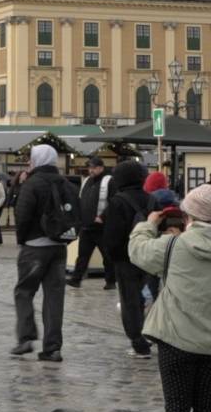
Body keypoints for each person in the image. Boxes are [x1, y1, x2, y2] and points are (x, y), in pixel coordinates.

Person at [128, 185, 211, 412]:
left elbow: (137, 250)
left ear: (187, 215)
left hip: (177, 339)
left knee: (177, 408)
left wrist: (149, 224)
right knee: (208, 408)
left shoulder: (174, 245)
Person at [10, 144, 73, 362]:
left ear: (36, 160)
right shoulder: (64, 183)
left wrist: (22, 240)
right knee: (54, 297)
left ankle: (26, 337)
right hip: (58, 247)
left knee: (24, 291)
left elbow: (22, 214)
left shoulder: (32, 183)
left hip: (35, 247)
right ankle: (53, 347)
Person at [101, 160, 155, 359]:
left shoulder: (118, 201)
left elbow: (112, 236)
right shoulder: (151, 200)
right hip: (149, 256)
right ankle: (150, 333)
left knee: (130, 300)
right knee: (148, 296)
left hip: (126, 258)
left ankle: (138, 340)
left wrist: (113, 257)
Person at [68, 157, 114, 289]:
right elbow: (81, 200)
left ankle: (110, 281)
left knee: (107, 256)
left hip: (102, 227)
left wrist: (103, 217)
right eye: (90, 168)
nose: (91, 170)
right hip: (87, 225)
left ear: (101, 168)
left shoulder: (109, 181)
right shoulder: (87, 181)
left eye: (93, 168)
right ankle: (76, 279)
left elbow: (113, 202)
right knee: (82, 255)